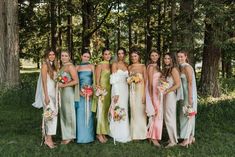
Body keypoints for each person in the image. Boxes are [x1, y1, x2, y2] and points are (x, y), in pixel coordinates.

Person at [32, 49, 58, 149]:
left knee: (54, 114)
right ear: (46, 56)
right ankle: (48, 139)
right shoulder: (45, 66)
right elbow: (43, 82)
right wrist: (46, 96)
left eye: (53, 54)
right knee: (49, 114)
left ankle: (49, 137)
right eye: (50, 54)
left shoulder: (54, 66)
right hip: (47, 94)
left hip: (54, 93)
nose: (52, 56)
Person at [109, 47, 131, 143]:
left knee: (124, 108)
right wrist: (116, 93)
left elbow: (129, 78)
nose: (120, 55)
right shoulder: (114, 64)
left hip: (125, 89)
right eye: (119, 53)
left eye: (122, 53)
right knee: (117, 108)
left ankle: (124, 132)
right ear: (117, 55)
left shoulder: (127, 65)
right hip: (117, 89)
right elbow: (113, 79)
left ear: (125, 54)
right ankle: (116, 133)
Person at [177, 50, 197, 147]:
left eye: (181, 56)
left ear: (186, 56)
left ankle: (186, 139)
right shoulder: (181, 67)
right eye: (178, 56)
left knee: (186, 115)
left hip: (188, 94)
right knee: (183, 115)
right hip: (183, 94)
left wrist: (190, 98)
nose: (179, 58)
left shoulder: (187, 67)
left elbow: (190, 83)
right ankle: (190, 136)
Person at [58, 50, 78, 145]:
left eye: (66, 55)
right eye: (62, 55)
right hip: (62, 92)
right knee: (64, 113)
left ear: (69, 57)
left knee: (69, 113)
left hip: (68, 92)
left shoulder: (70, 66)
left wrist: (63, 86)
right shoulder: (62, 67)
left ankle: (70, 136)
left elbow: (76, 81)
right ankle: (66, 134)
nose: (64, 57)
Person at [75, 50, 95, 143]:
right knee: (80, 114)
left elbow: (94, 80)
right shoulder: (77, 67)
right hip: (81, 93)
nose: (86, 58)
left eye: (88, 57)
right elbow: (75, 81)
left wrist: (92, 91)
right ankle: (81, 136)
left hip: (90, 93)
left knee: (89, 114)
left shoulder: (91, 66)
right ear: (81, 56)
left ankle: (89, 136)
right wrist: (79, 91)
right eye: (84, 56)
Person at [162, 53, 181, 148]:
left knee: (169, 116)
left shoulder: (174, 69)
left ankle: (173, 141)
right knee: (167, 116)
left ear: (172, 60)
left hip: (170, 95)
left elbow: (178, 84)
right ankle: (171, 137)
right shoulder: (166, 69)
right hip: (165, 94)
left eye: (168, 58)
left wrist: (168, 91)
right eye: (165, 58)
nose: (166, 60)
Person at [92, 48, 111, 143]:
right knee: (100, 112)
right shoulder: (100, 65)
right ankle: (99, 133)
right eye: (105, 54)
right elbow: (96, 80)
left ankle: (103, 132)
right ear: (103, 55)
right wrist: (99, 91)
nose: (107, 56)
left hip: (109, 91)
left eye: (109, 54)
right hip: (102, 92)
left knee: (105, 112)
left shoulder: (111, 65)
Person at [128, 48, 147, 140]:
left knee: (141, 112)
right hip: (132, 92)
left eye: (135, 56)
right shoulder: (130, 67)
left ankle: (142, 134)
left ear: (139, 56)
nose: (133, 58)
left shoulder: (143, 66)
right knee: (133, 111)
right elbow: (128, 79)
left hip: (140, 91)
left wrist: (144, 95)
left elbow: (146, 81)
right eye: (132, 56)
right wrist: (130, 80)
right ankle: (134, 134)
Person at [146, 49, 162, 147]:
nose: (154, 57)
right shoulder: (151, 67)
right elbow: (150, 83)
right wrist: (151, 96)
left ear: (159, 56)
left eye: (156, 55)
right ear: (150, 57)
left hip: (159, 92)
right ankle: (154, 137)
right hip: (153, 94)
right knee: (156, 114)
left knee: (157, 115)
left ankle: (150, 134)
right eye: (152, 55)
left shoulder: (158, 67)